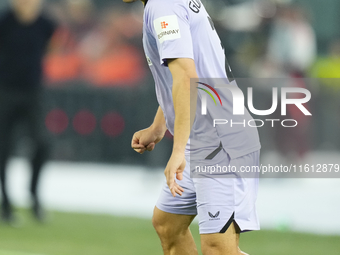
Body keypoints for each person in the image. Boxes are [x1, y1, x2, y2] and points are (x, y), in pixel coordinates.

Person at [128, 0, 261, 254]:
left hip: (219, 140)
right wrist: (159, 126)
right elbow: (183, 75)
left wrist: (177, 152)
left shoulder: (162, 6)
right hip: (206, 138)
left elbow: (187, 76)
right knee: (168, 225)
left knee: (217, 249)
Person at [0, 0, 56, 223]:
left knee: (42, 143)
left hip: (33, 92)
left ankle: (33, 196)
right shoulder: (4, 22)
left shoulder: (46, 24)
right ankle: (6, 203)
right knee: (3, 148)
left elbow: (48, 48)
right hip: (5, 91)